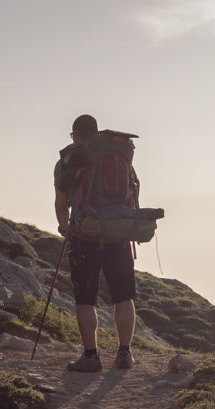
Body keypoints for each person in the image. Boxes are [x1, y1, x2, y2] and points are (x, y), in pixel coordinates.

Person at [53, 114, 137, 371]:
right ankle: (124, 354)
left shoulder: (68, 159)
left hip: (85, 234)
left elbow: (60, 200)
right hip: (117, 233)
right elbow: (131, 192)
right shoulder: (118, 154)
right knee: (123, 296)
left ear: (77, 134)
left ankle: (90, 357)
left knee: (85, 299)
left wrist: (64, 226)